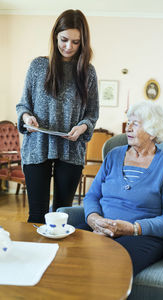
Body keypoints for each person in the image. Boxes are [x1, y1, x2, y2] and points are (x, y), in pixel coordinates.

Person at [78, 101, 163, 276]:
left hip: (142, 236)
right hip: (101, 226)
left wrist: (133, 228)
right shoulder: (114, 155)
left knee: (111, 265)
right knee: (65, 250)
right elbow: (92, 196)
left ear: (152, 131)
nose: (128, 128)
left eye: (135, 124)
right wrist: (93, 218)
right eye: (128, 123)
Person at [16, 10, 99, 224]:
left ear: (83, 42)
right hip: (37, 147)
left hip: (71, 151)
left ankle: (60, 258)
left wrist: (82, 127)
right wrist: (26, 117)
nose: (69, 46)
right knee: (37, 215)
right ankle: (35, 257)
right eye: (64, 39)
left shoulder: (88, 72)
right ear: (55, 36)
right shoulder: (38, 66)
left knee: (62, 215)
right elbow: (23, 105)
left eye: (75, 42)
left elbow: (92, 113)